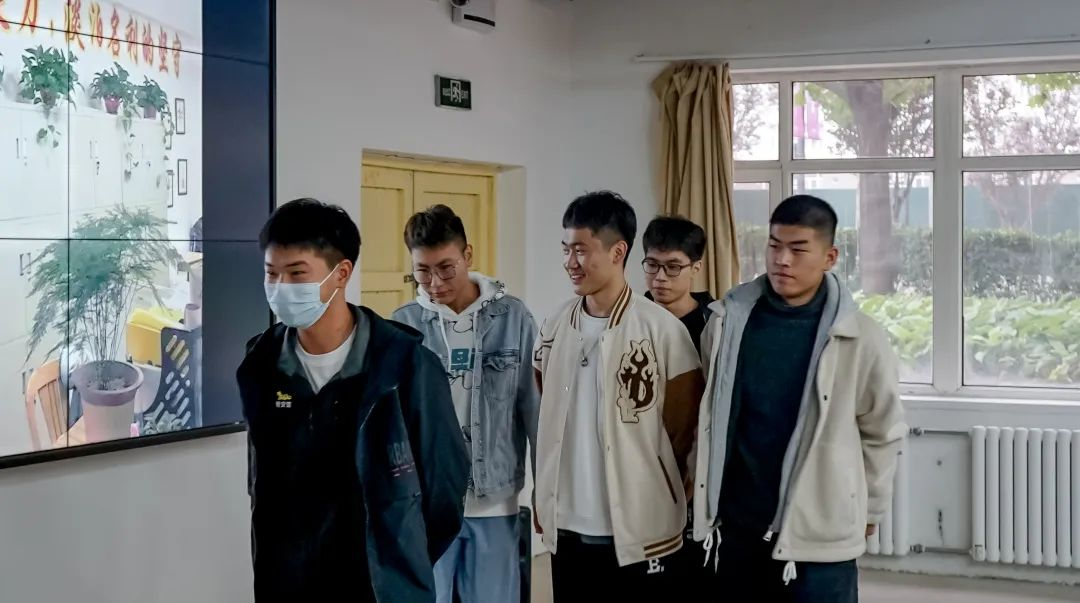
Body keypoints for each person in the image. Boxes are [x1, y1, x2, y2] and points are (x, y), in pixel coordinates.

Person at [237, 198, 469, 602]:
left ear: (341, 273)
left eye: (297, 274)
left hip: (378, 585)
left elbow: (444, 495)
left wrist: (400, 561)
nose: (280, 287)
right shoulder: (261, 364)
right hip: (290, 581)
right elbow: (262, 485)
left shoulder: (405, 364)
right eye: (271, 273)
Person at [692, 195, 906, 602]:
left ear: (829, 257)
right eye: (774, 245)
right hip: (738, 529)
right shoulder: (726, 324)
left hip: (819, 534)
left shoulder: (859, 337)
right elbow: (708, 417)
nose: (782, 260)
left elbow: (883, 430)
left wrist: (871, 508)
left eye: (798, 249)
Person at [532, 191, 705, 599]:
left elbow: (686, 432)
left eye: (581, 250)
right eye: (566, 249)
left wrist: (658, 486)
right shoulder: (555, 326)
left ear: (618, 252)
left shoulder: (662, 331)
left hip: (639, 527)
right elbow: (547, 415)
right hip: (568, 522)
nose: (570, 262)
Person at [392, 204, 539, 603]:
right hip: (427, 504)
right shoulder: (403, 325)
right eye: (422, 271)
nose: (435, 283)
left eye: (446, 268)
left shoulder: (513, 318)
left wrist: (546, 493)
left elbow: (535, 410)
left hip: (495, 499)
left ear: (467, 255)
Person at [640, 215, 714, 582]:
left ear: (696, 267)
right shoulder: (630, 320)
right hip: (639, 470)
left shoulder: (717, 326)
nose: (660, 278)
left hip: (697, 474)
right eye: (652, 265)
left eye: (673, 267)